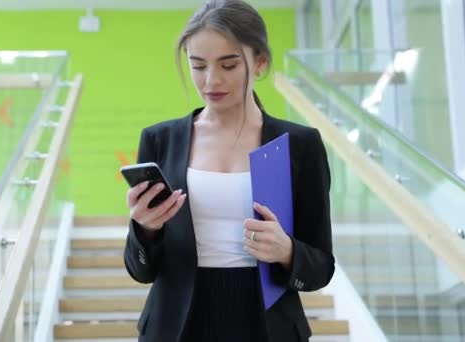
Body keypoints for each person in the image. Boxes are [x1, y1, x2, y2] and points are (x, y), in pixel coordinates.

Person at [123, 1, 334, 341]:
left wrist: (287, 252)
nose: (212, 80)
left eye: (229, 64)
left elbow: (321, 267)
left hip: (267, 326)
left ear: (260, 62)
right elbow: (140, 269)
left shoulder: (300, 144)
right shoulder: (160, 140)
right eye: (198, 66)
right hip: (176, 325)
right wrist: (145, 230)